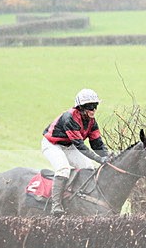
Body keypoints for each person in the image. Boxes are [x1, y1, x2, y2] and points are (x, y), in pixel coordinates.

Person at [41, 88, 110, 216]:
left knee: (88, 168)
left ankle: (80, 197)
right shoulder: (70, 118)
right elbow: (80, 145)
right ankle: (56, 205)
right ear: (81, 107)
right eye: (90, 106)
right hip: (52, 144)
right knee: (63, 169)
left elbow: (97, 143)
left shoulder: (92, 122)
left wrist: (108, 157)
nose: (93, 109)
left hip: (69, 145)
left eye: (95, 106)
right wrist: (98, 159)